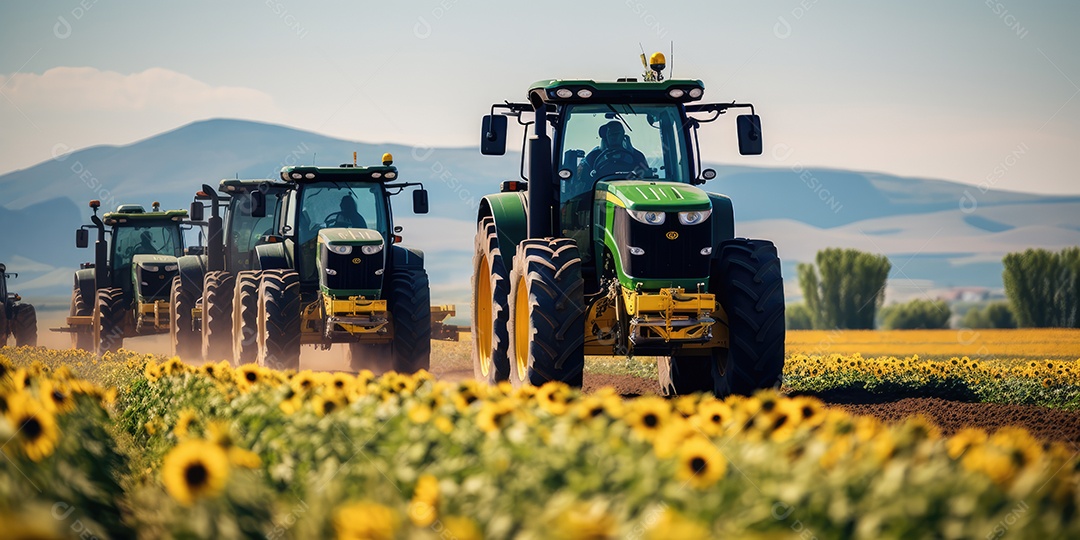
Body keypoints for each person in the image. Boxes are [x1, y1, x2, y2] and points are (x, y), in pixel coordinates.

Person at [582, 120, 650, 180]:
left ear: (623, 135)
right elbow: (583, 184)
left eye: (617, 133)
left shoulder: (637, 157)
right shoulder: (593, 157)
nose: (614, 137)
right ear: (606, 136)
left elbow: (647, 179)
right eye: (611, 134)